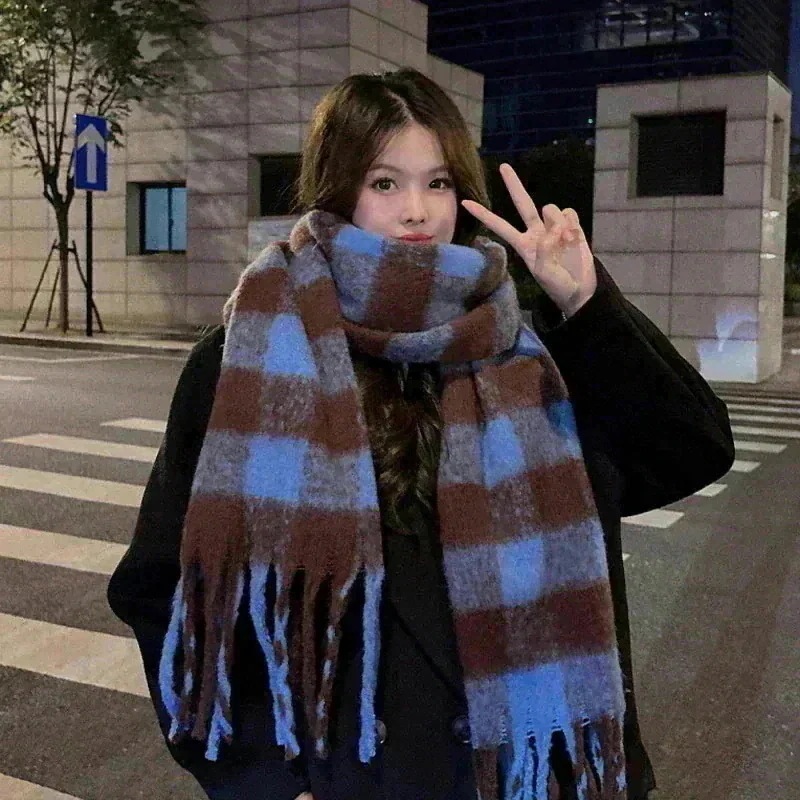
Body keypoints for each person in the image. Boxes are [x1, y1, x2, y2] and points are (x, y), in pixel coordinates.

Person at [107, 68, 735, 800]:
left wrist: (588, 303)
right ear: (338, 191)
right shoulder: (252, 355)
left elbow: (691, 448)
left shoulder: (527, 350)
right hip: (363, 776)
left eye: (437, 183)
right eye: (384, 182)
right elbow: (159, 585)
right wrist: (260, 780)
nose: (416, 211)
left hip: (538, 768)